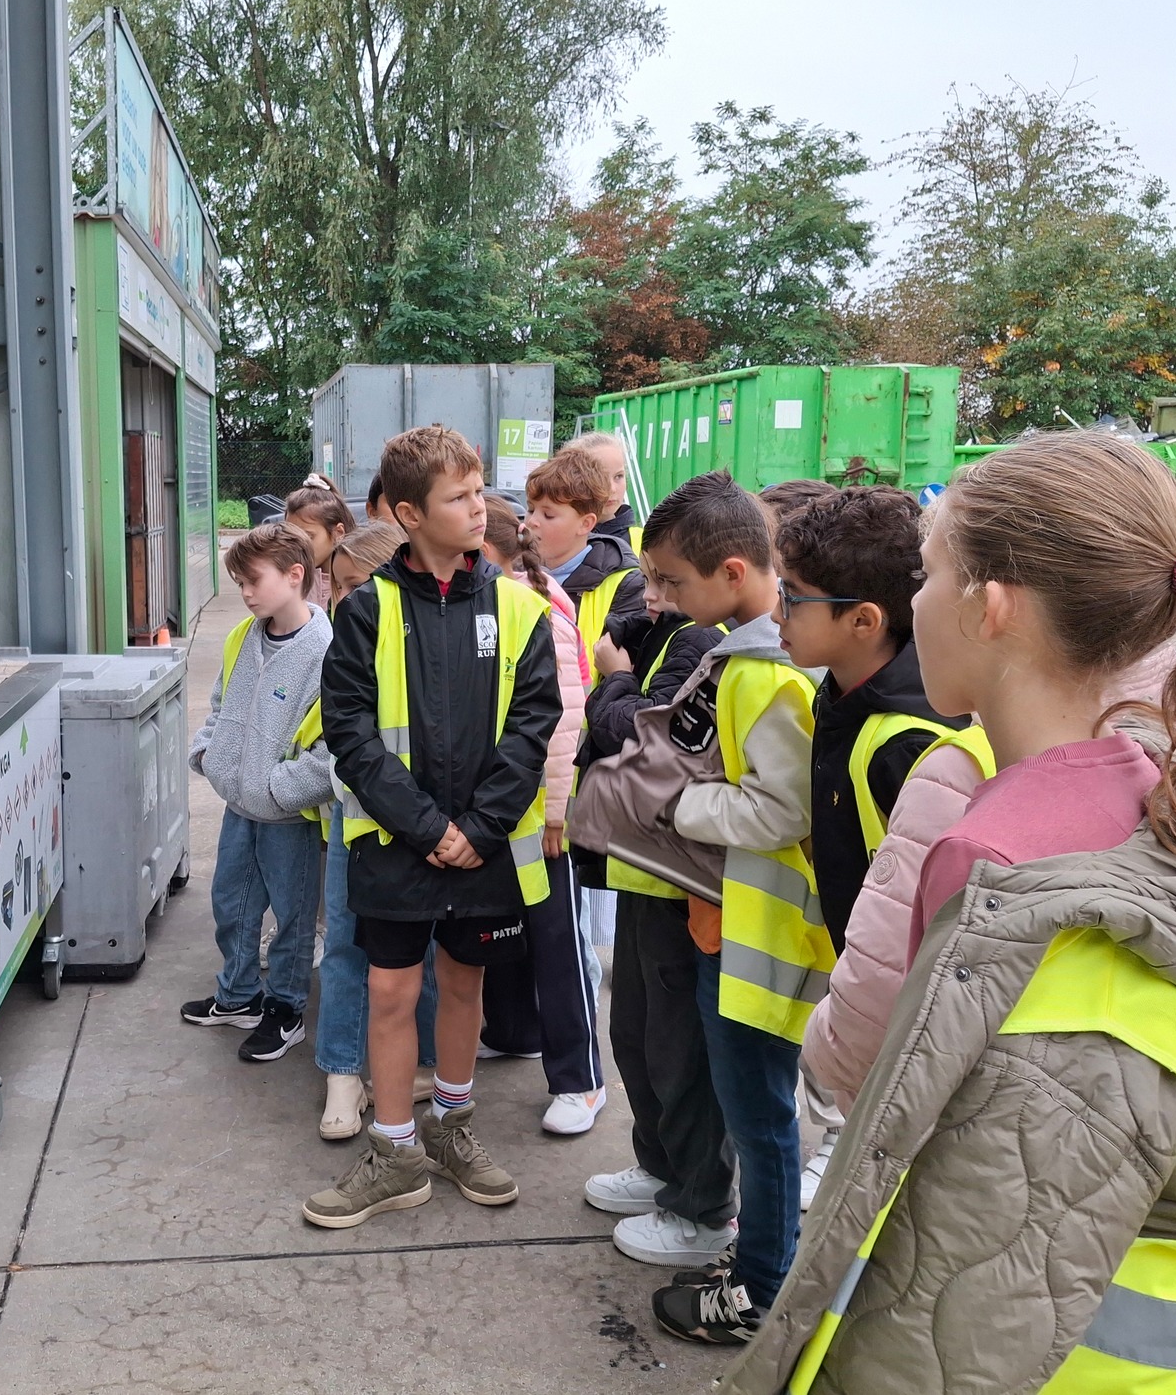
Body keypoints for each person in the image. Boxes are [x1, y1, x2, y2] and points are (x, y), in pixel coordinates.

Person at [724, 432, 1176, 1392]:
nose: (915, 602)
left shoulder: (991, 854)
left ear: (992, 606)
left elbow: (957, 1215)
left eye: (929, 574)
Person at [302, 425, 560, 1228]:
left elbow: (533, 727)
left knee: (463, 984)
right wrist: (426, 828)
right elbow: (350, 734)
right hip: (397, 843)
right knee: (389, 990)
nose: (480, 508)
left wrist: (478, 829)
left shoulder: (520, 609)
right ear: (409, 514)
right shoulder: (367, 610)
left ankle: (451, 1126)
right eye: (459, 497)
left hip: (483, 848)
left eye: (480, 492)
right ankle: (396, 1151)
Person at [592, 472, 817, 1340]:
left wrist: (672, 804)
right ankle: (724, 1232)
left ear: (731, 573)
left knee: (752, 1112)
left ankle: (750, 1268)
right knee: (716, 1084)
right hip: (719, 910)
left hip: (755, 926)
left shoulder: (766, 669)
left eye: (672, 581)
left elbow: (779, 809)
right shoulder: (742, 651)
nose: (659, 597)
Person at [768, 487, 984, 1209]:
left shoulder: (910, 741)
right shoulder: (839, 693)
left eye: (792, 597)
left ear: (863, 620)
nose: (775, 612)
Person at [476, 492, 607, 1135]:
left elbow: (563, 721)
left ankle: (580, 1081)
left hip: (539, 813)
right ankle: (513, 1032)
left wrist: (556, 812)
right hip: (498, 806)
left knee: (556, 940)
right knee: (500, 926)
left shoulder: (534, 608)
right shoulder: (491, 602)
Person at [183, 523, 333, 1062]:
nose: (245, 593)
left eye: (253, 581)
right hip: (238, 806)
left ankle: (285, 1009)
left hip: (290, 817)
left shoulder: (326, 651)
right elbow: (220, 704)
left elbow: (334, 745)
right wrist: (211, 755)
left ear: (295, 575)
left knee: (293, 919)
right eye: (240, 583)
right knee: (232, 905)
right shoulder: (242, 637)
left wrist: (279, 789)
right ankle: (237, 995)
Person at [312, 521, 442, 1139]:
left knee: (426, 950)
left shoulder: (428, 637)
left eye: (354, 582)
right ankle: (341, 1072)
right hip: (357, 819)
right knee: (344, 941)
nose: (343, 597)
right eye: (336, 585)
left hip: (420, 821)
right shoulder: (341, 642)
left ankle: (423, 1063)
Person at [524, 447, 647, 665]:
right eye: (531, 509)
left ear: (586, 524)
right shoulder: (511, 571)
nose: (532, 522)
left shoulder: (626, 586)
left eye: (548, 515)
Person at [284, 473, 354, 611]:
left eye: (308, 537)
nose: (297, 546)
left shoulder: (358, 580)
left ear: (338, 533)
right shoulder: (287, 580)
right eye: (290, 537)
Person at [564, 429, 639, 548]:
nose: (612, 489)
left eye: (618, 476)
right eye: (600, 478)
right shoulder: (558, 539)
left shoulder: (645, 542)